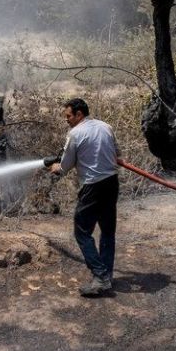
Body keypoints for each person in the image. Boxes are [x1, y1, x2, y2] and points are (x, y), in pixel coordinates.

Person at [50, 98, 121, 297]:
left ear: (79, 114)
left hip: (93, 187)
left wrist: (55, 167)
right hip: (111, 183)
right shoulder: (106, 126)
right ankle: (106, 276)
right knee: (107, 232)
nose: (67, 120)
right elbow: (117, 154)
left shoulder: (75, 134)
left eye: (69, 116)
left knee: (82, 232)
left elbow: (64, 167)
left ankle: (100, 277)